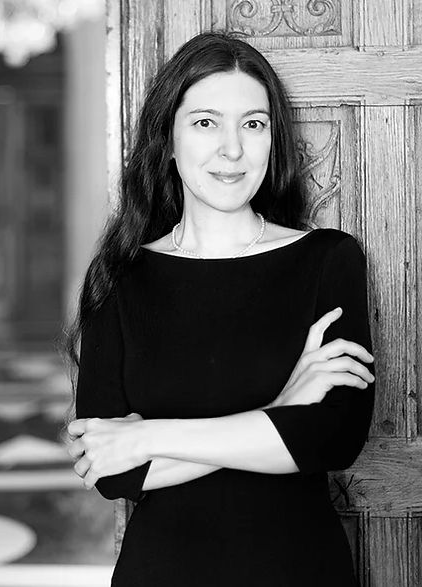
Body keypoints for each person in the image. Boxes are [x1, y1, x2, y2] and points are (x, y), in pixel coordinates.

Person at [63, 31, 376, 587]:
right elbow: (110, 471)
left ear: (272, 139)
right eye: (206, 122)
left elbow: (333, 438)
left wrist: (147, 437)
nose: (232, 149)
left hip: (300, 570)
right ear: (168, 138)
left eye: (252, 124)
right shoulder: (120, 277)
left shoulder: (329, 260)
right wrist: (282, 409)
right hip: (162, 572)